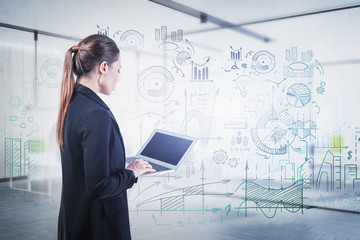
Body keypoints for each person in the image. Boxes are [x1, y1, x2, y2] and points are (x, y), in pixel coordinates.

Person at [56, 34, 155, 240]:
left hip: (78, 220)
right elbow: (99, 186)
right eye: (118, 70)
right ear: (103, 67)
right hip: (99, 227)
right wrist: (132, 173)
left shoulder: (73, 103)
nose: (118, 77)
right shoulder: (96, 113)